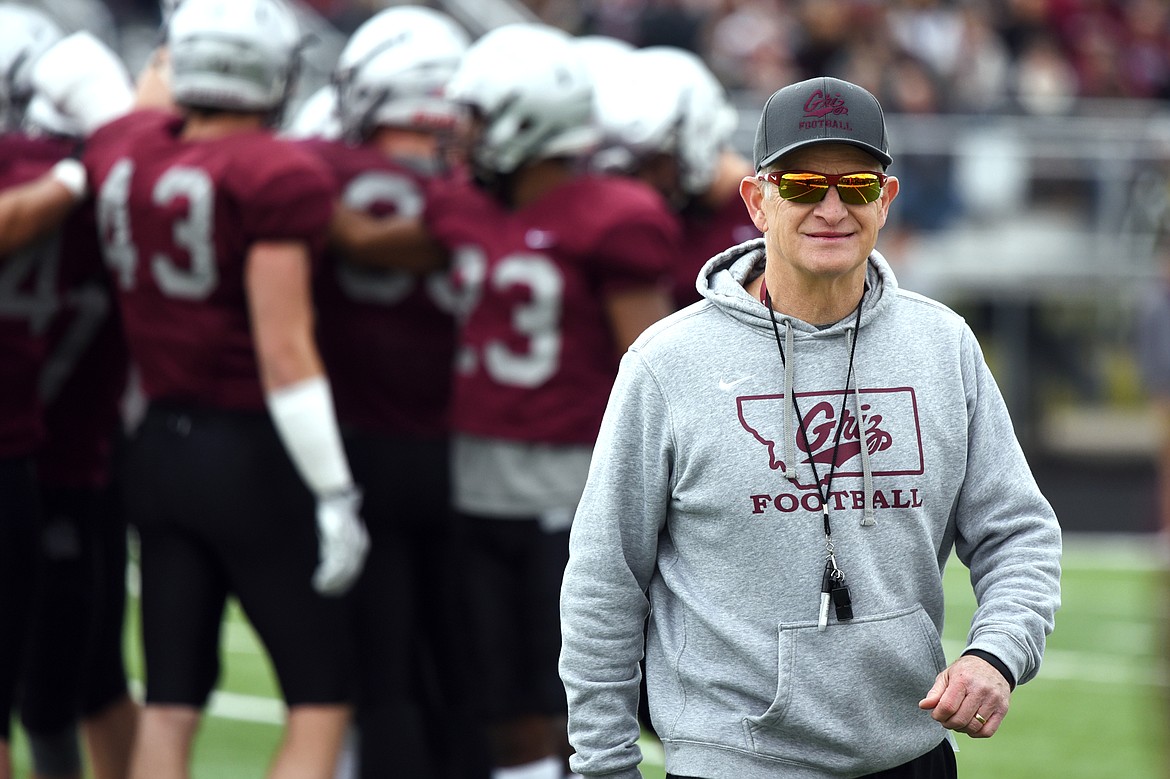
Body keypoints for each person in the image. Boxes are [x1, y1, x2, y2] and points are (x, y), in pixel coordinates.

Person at [559, 76, 1063, 778]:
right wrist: (604, 766)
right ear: (757, 198)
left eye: (856, 185)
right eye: (801, 184)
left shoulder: (943, 345)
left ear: (886, 200)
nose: (832, 207)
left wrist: (997, 650)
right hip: (731, 761)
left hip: (910, 753)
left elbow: (1018, 531)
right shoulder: (665, 364)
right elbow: (604, 582)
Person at [17, 1, 371, 777]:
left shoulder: (126, 153)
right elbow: (284, 349)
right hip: (249, 449)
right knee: (320, 695)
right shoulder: (274, 171)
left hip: (154, 448)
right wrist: (335, 490)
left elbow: (87, 80)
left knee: (172, 701)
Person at [423, 23, 679, 779]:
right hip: (476, 480)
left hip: (571, 488)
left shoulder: (612, 214)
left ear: (525, 117)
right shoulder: (462, 206)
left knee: (574, 689)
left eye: (476, 114)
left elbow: (657, 369)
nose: (460, 132)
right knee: (501, 696)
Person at [293, 6, 488, 777]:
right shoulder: (488, 188)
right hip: (473, 453)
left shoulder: (318, 170)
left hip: (361, 447)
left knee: (382, 677)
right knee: (468, 674)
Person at [15, 89, 139, 779]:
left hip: (55, 462)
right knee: (84, 682)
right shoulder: (113, 193)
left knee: (60, 689)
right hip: (91, 462)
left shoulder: (66, 208)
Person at [587, 43, 761, 310]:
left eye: (655, 163)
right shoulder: (658, 218)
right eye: (632, 169)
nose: (643, 183)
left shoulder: (765, 210)